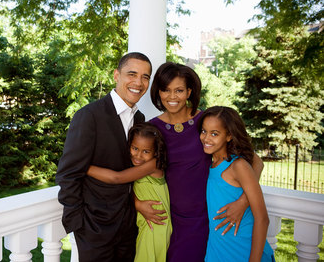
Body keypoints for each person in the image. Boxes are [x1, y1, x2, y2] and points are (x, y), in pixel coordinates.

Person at [136, 62, 264, 262]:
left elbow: (256, 162)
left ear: (189, 92)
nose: (172, 97)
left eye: (179, 90)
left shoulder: (206, 121)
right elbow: (134, 174)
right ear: (158, 92)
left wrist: (243, 201)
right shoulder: (152, 129)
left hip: (209, 218)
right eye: (165, 90)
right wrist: (136, 203)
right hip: (171, 218)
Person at [55, 52, 152, 262]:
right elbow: (68, 174)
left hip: (127, 227)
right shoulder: (89, 116)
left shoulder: (140, 119)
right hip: (93, 229)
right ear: (116, 75)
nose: (139, 82)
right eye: (132, 74)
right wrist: (79, 225)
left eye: (145, 77)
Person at [87, 122, 172, 262]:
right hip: (148, 224)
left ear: (156, 152)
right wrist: (137, 203)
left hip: (155, 226)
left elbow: (117, 178)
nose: (138, 155)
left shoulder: (153, 165)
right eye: (134, 148)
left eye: (146, 151)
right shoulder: (142, 166)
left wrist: (83, 167)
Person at [198, 106, 275, 262]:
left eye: (214, 134)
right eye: (204, 131)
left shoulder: (238, 166)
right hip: (218, 251)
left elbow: (262, 219)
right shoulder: (210, 164)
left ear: (229, 136)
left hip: (244, 252)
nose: (206, 138)